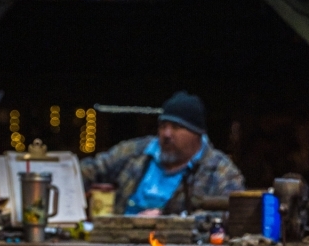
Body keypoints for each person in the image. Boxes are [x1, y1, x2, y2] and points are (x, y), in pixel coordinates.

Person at [80, 91, 244, 216]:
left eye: (176, 127)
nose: (166, 134)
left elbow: (235, 213)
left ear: (197, 133)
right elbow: (90, 170)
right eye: (163, 126)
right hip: (116, 241)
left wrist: (168, 222)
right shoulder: (136, 151)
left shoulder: (220, 171)